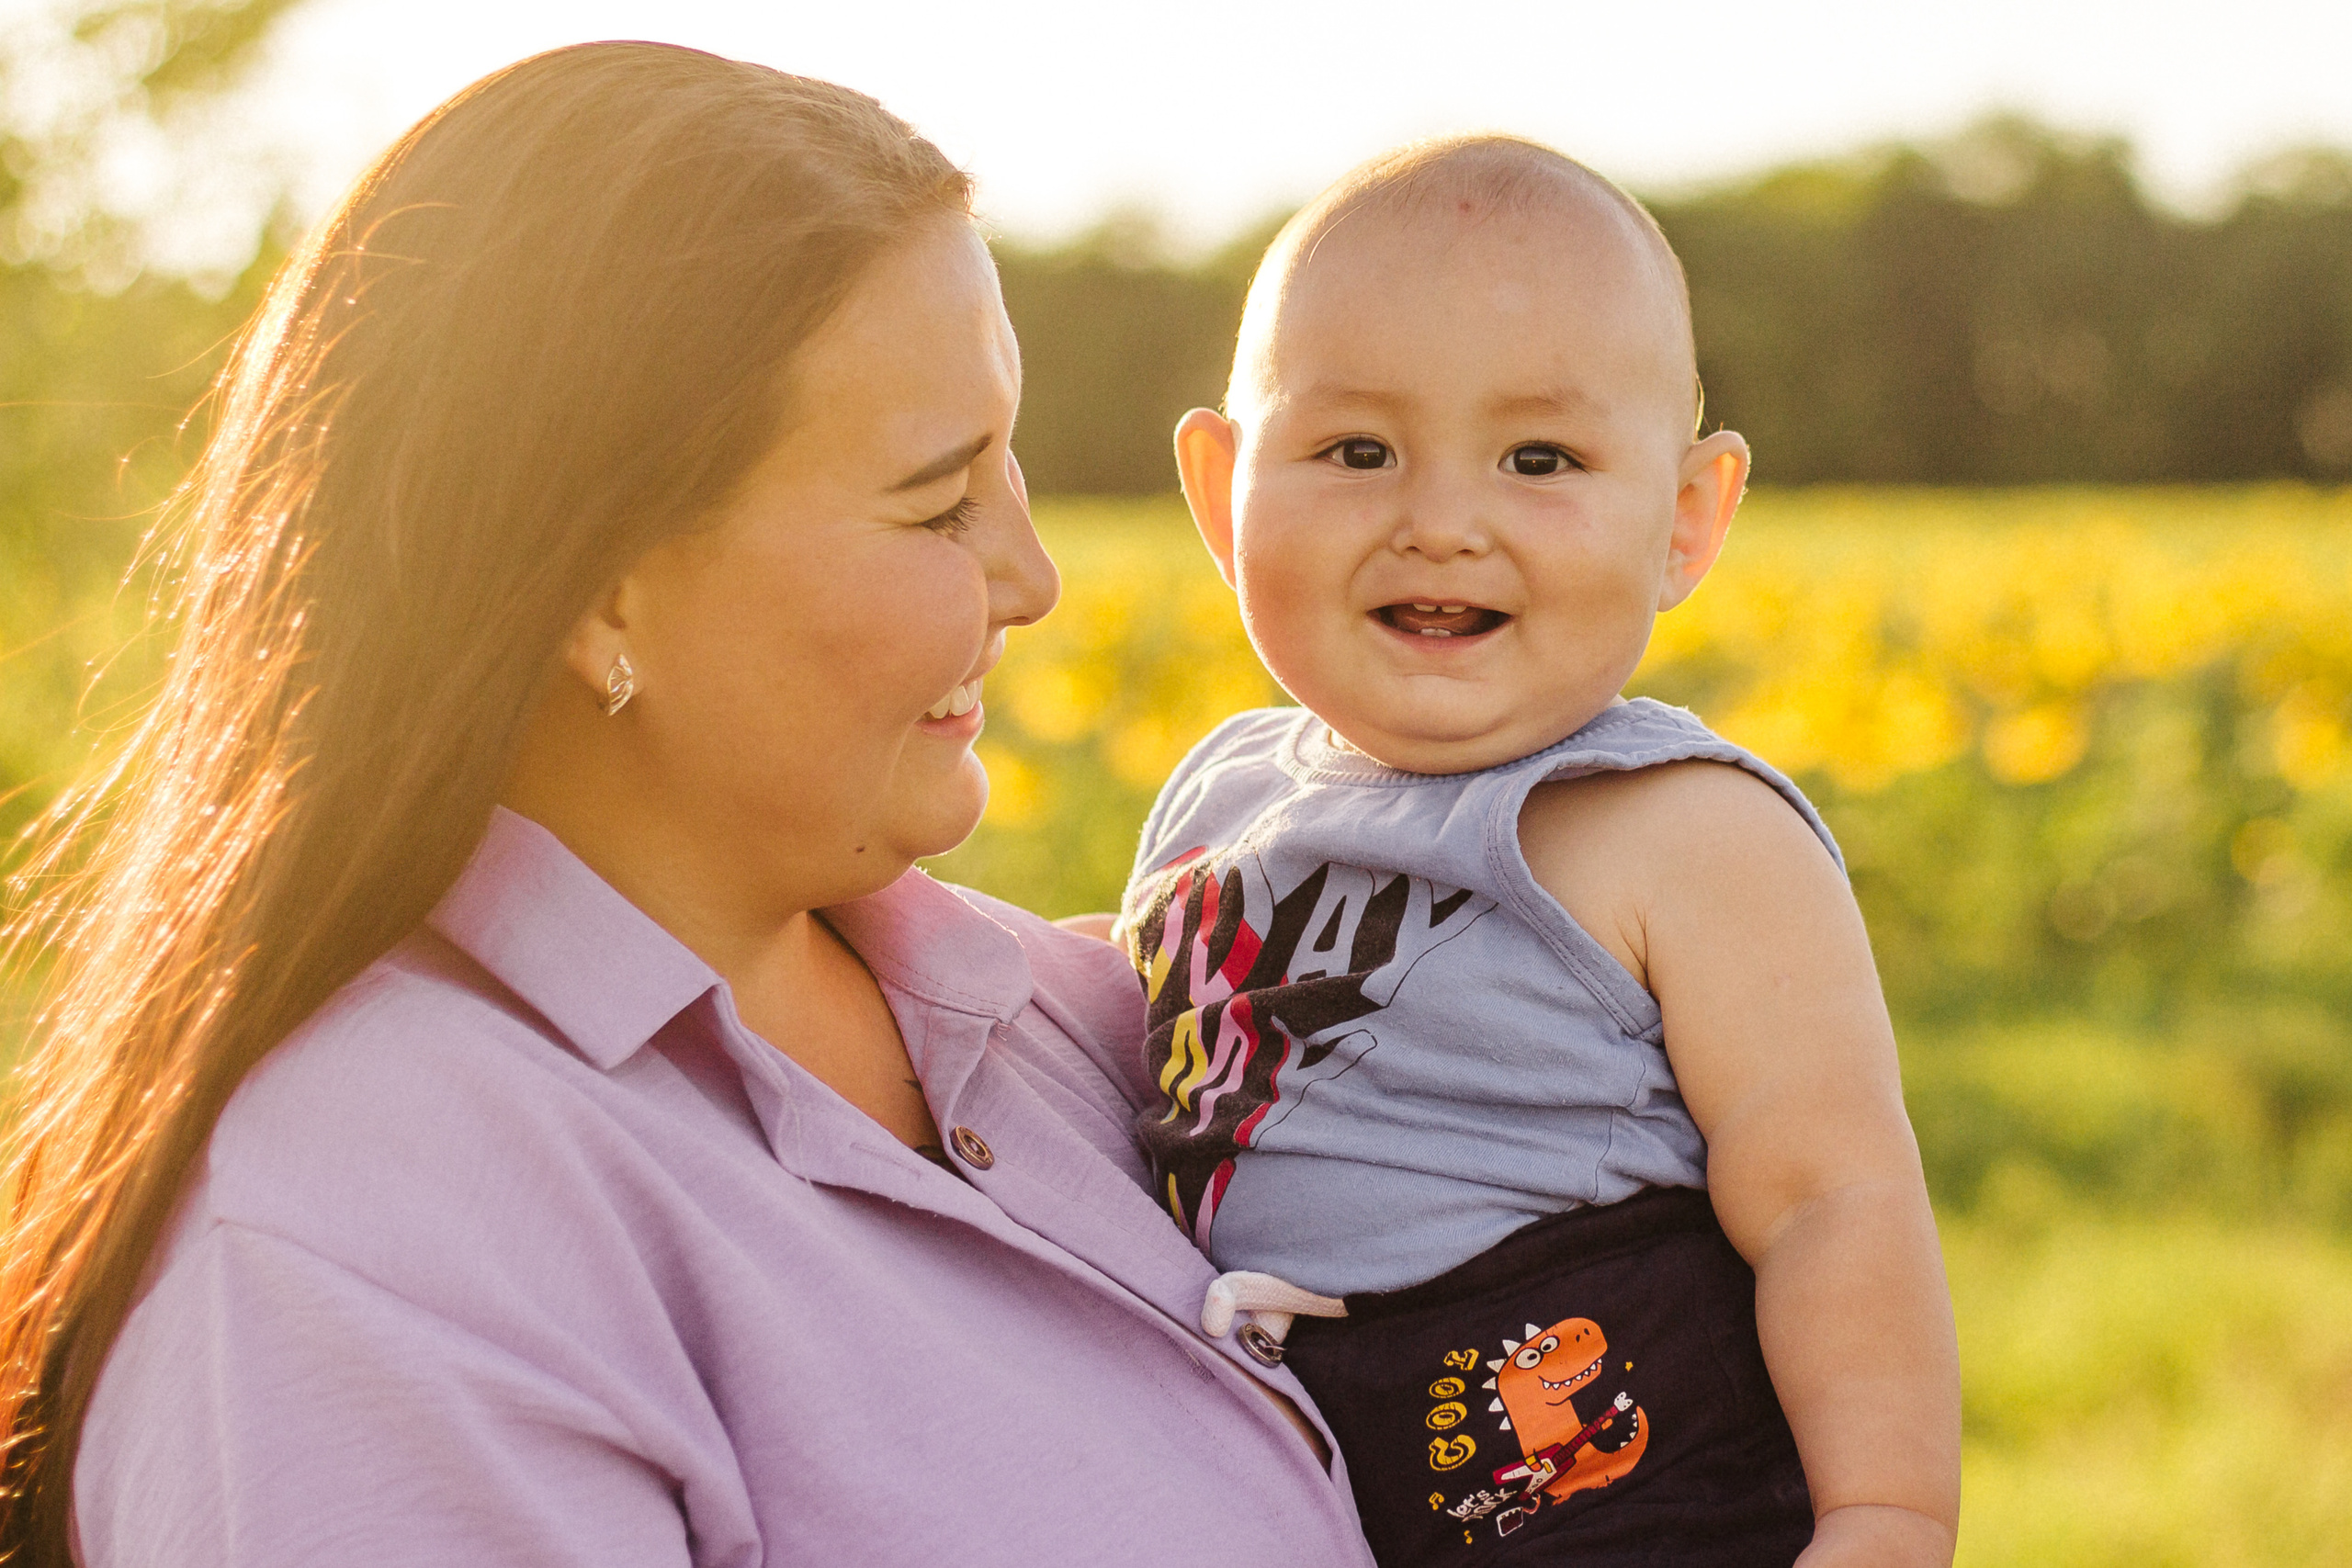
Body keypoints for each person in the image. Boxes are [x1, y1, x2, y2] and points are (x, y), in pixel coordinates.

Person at [0, 43, 1374, 1567]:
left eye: (1013, 463)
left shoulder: (1072, 1010)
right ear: (598, 591)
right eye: (938, 501)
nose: (1034, 580)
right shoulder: (356, 1261)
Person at [1118, 138, 1962, 1566]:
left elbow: (1833, 1198)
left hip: (1604, 1481)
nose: (1442, 522)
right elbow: (1146, 1000)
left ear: (1686, 520)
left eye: (1540, 459)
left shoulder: (1682, 831)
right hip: (1287, 1471)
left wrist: (1885, 1518)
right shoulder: (1222, 795)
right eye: (1356, 451)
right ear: (1222, 493)